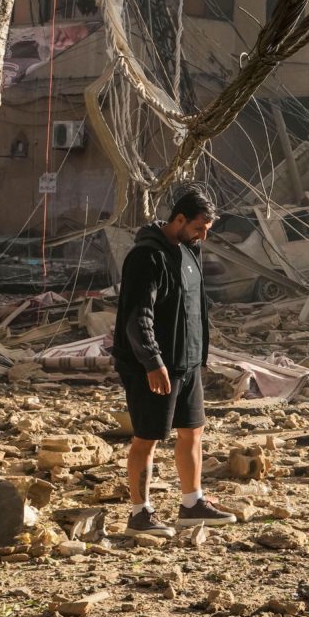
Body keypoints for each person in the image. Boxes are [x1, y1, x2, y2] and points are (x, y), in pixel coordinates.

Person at [113, 188, 236, 532]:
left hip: (188, 361)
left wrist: (200, 358)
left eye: (207, 229)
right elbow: (138, 316)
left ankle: (192, 503)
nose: (203, 236)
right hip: (152, 367)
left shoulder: (190, 252)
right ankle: (140, 513)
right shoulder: (146, 257)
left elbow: (195, 309)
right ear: (179, 219)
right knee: (147, 437)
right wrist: (152, 361)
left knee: (193, 432)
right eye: (199, 228)